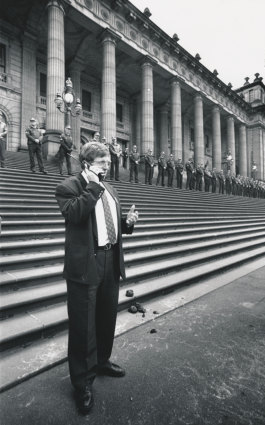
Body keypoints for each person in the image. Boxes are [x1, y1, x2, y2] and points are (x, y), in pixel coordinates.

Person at [55, 142, 139, 415]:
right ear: (87, 163)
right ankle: (82, 383)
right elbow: (75, 214)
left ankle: (101, 361)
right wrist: (92, 185)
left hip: (110, 261)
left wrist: (127, 224)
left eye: (108, 162)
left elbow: (107, 224)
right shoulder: (69, 187)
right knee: (83, 327)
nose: (107, 166)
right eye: (102, 162)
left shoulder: (111, 189)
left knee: (106, 318)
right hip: (85, 267)